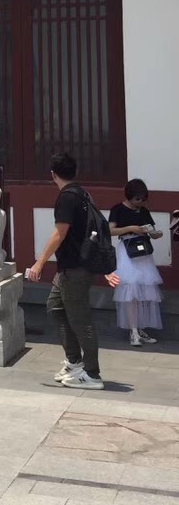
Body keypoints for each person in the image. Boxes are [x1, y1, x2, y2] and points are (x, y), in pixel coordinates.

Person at [27, 152, 119, 390]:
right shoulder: (82, 194)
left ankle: (92, 374)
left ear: (53, 174)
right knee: (55, 307)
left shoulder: (67, 197)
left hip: (76, 268)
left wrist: (39, 263)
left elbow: (60, 233)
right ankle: (74, 362)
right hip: (70, 267)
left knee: (81, 320)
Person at [108, 179, 164, 347]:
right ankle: (133, 331)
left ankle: (140, 329)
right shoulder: (118, 209)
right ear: (129, 195)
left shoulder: (144, 211)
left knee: (144, 290)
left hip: (143, 251)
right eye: (137, 199)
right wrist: (131, 228)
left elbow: (152, 230)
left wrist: (155, 234)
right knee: (131, 288)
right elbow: (110, 230)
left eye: (142, 199)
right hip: (127, 249)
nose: (140, 202)